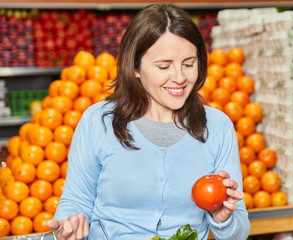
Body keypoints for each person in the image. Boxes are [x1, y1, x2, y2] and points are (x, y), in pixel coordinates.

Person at [47, 3, 250, 240]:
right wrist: (70, 224)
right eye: (164, 66)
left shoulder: (217, 126)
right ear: (134, 66)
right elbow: (75, 202)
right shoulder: (98, 121)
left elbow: (240, 232)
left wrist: (222, 218)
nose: (179, 78)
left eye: (189, 64)